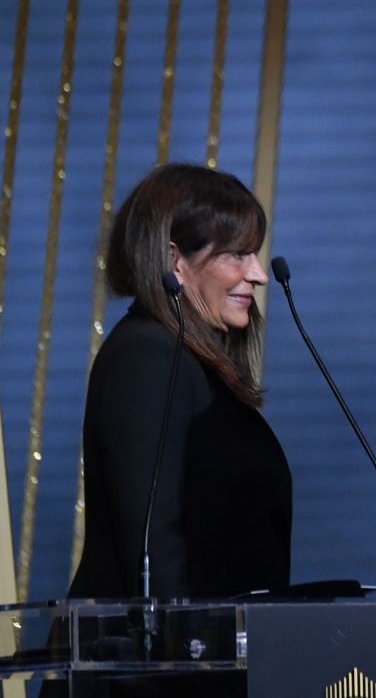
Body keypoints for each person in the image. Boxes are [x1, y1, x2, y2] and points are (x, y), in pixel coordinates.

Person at [59, 163, 290, 696]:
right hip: (158, 678)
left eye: (254, 253)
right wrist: (192, 669)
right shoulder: (148, 356)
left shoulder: (187, 358)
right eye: (236, 254)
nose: (256, 274)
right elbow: (154, 545)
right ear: (174, 262)